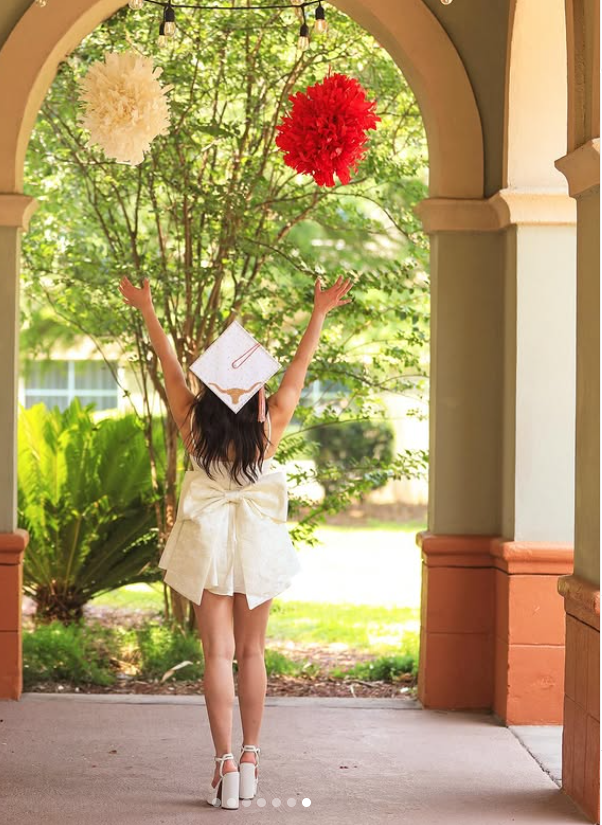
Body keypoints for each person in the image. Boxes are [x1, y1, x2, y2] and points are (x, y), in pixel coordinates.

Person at [118, 272, 353, 809]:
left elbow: (169, 367)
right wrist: (318, 314)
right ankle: (250, 758)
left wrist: (148, 309)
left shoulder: (193, 426)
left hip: (208, 547)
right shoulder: (269, 429)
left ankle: (222, 764)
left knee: (216, 654)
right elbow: (299, 371)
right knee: (252, 653)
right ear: (256, 396)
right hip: (255, 545)